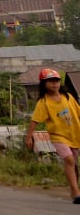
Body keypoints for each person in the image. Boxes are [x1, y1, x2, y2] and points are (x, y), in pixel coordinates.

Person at [25, 67, 80, 204]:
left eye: (56, 81)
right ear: (44, 84)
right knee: (69, 160)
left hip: (75, 134)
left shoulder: (68, 97)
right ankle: (77, 193)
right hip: (58, 136)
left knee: (73, 164)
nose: (54, 84)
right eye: (50, 81)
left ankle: (74, 189)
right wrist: (29, 136)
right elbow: (35, 120)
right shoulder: (43, 102)